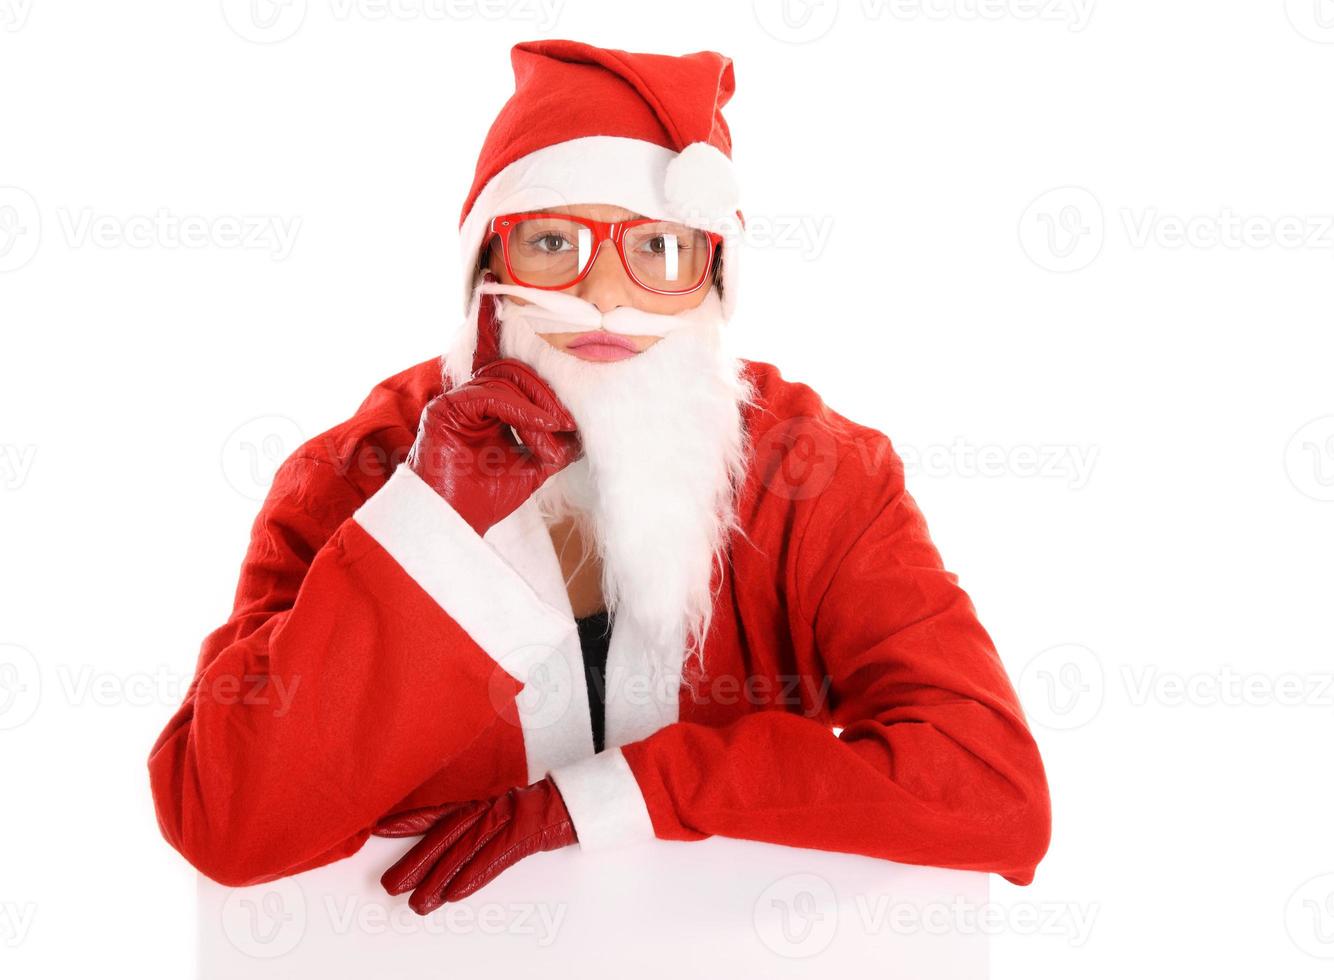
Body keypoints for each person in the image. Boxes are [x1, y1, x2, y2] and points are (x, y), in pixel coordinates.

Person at [148, 38, 1052, 916]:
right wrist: (430, 526)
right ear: (488, 265)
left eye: (661, 251)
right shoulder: (353, 473)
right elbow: (227, 823)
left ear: (712, 278)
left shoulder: (821, 477)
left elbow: (991, 789)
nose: (608, 297)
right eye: (553, 242)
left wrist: (610, 797)